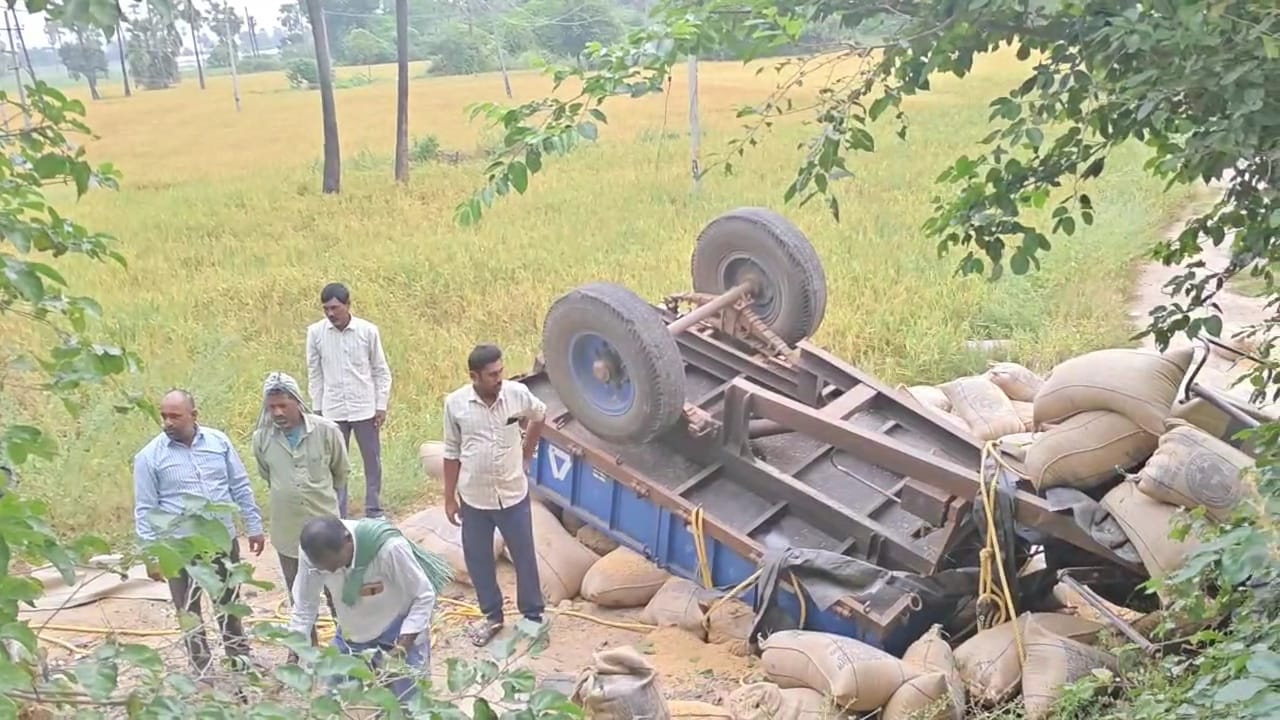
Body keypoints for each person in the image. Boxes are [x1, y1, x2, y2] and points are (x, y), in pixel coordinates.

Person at [132, 389, 265, 675]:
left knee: (228, 603)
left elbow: (239, 485)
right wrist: (151, 555)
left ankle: (239, 660)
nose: (167, 422)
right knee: (188, 611)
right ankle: (202, 669)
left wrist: (254, 526)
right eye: (164, 416)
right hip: (177, 548)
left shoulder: (219, 442)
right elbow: (145, 509)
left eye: (175, 416)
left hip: (220, 540)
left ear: (194, 416)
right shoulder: (149, 457)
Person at [442, 343, 548, 647]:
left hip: (513, 494)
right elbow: (451, 453)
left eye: (500, 371)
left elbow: (540, 415)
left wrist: (528, 452)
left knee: (525, 556)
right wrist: (449, 498)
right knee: (478, 559)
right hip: (474, 498)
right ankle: (492, 615)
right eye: (492, 375)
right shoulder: (456, 404)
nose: (499, 379)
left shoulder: (517, 394)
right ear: (474, 376)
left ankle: (532, 617)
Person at [286, 516, 445, 704]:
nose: (332, 572)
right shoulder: (312, 556)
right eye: (325, 570)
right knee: (335, 703)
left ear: (348, 540)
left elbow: (423, 596)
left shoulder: (388, 549)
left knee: (412, 705)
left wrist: (402, 647)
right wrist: (294, 653)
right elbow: (305, 605)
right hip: (352, 635)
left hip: (398, 631)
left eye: (335, 565)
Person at [251, 370, 346, 642]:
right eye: (272, 408)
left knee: (337, 593)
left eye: (283, 405)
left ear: (298, 402)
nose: (277, 413)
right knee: (300, 597)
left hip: (328, 531)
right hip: (288, 533)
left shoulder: (326, 431)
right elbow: (268, 475)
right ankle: (306, 651)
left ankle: (350, 648)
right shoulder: (262, 439)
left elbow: (340, 473)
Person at [305, 282, 393, 519]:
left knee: (372, 461)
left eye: (335, 308)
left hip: (364, 408)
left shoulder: (367, 331)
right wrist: (318, 410)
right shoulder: (316, 333)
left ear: (348, 305)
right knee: (335, 464)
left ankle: (374, 510)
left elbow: (380, 370)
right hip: (333, 410)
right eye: (326, 309)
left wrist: (380, 405)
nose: (331, 314)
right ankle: (339, 514)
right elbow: (315, 373)